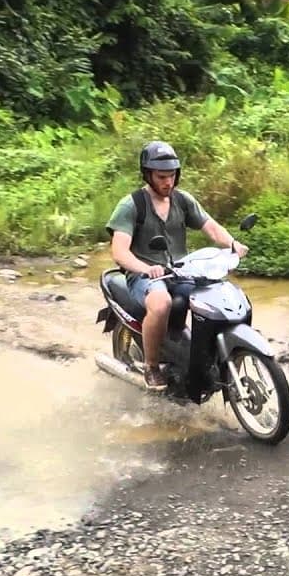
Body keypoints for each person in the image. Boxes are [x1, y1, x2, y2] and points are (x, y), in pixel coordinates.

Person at [105, 141, 248, 390]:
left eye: (171, 176)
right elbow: (119, 252)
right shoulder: (131, 205)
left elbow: (211, 227)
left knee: (216, 297)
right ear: (148, 175)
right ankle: (152, 367)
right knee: (162, 304)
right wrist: (145, 268)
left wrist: (233, 244)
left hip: (182, 272)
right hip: (145, 277)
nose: (167, 182)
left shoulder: (182, 200)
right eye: (161, 177)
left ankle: (204, 358)